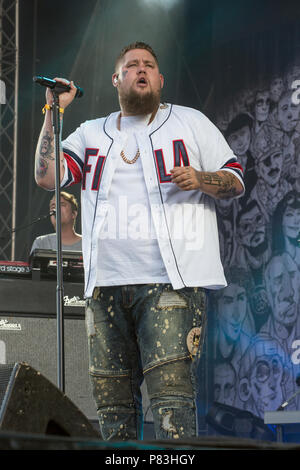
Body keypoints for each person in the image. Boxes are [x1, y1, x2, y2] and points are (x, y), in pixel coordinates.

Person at [34, 41, 244, 441]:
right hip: (105, 288)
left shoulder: (190, 122)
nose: (141, 70)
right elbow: (47, 176)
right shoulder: (91, 132)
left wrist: (201, 179)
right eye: (132, 65)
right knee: (112, 407)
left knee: (172, 402)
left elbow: (235, 178)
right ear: (117, 79)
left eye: (149, 65)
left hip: (170, 286)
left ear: (161, 79)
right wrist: (53, 110)